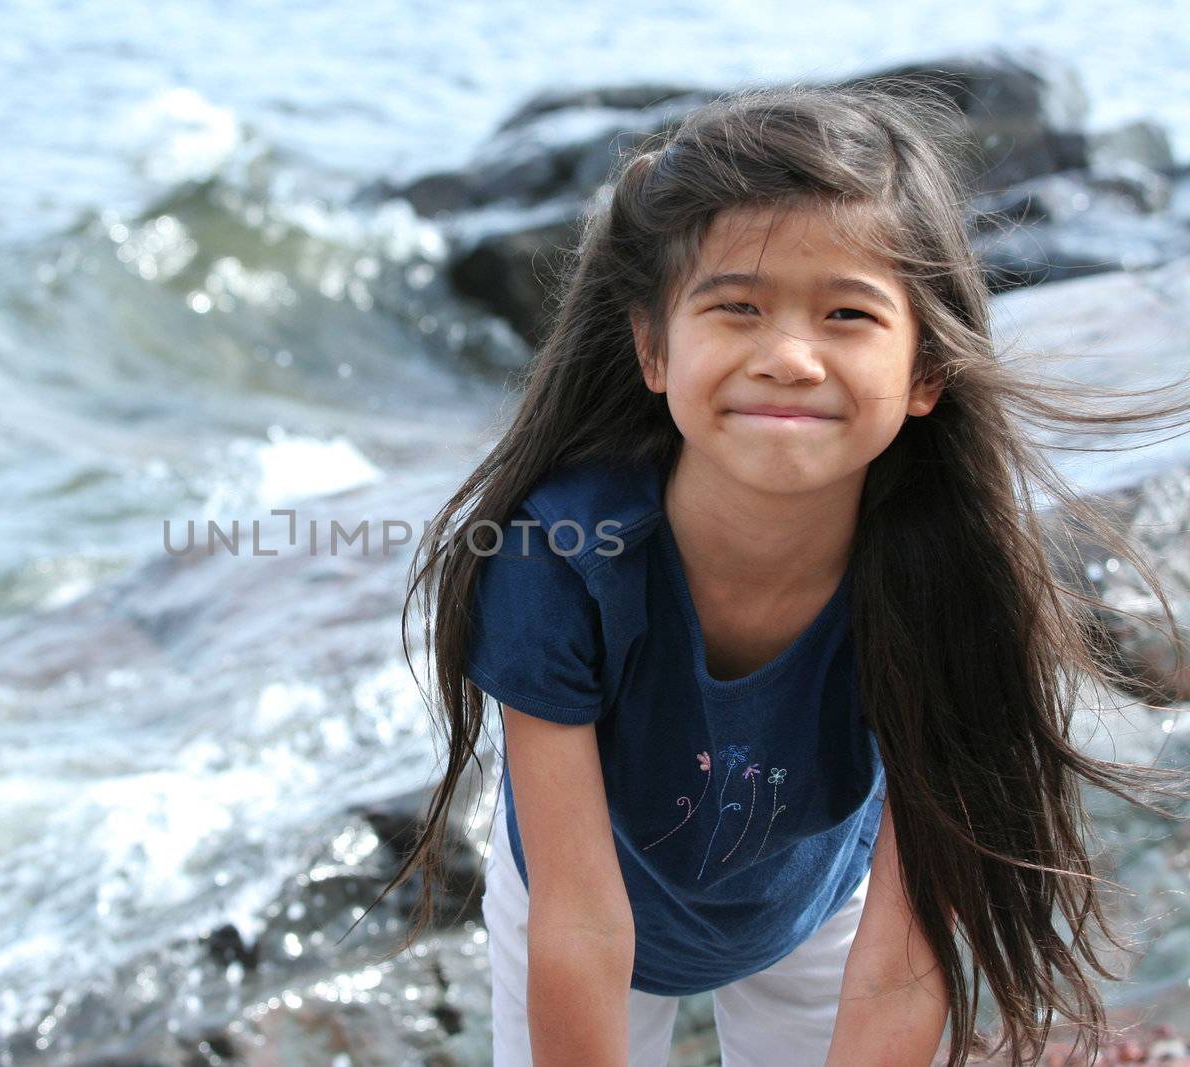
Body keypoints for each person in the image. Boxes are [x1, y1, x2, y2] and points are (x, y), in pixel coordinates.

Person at [360, 82, 1190, 1067]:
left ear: (925, 370)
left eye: (846, 313)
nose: (788, 357)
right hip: (575, 904)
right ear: (653, 346)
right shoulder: (559, 561)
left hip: (818, 905)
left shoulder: (950, 569)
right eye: (737, 308)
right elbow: (583, 928)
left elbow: (903, 951)